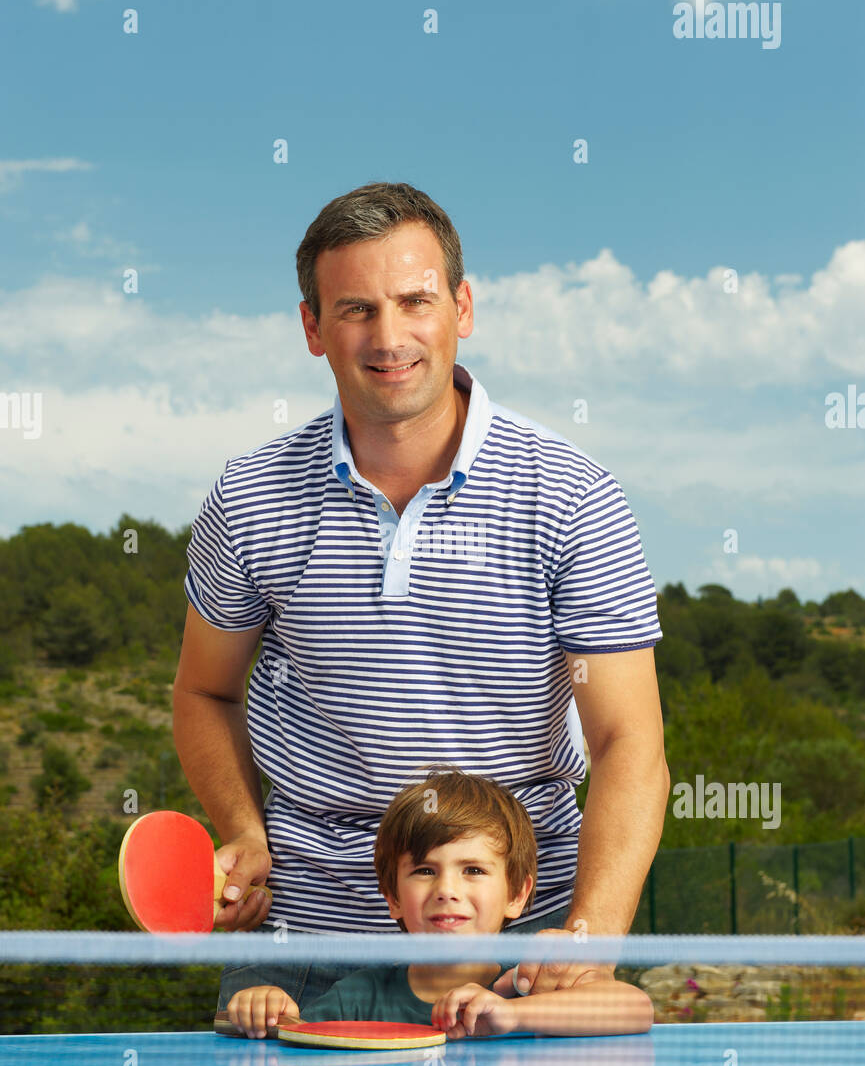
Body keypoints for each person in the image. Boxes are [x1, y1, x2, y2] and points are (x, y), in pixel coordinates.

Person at [172, 180, 670, 1015]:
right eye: (355, 308)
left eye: (415, 300)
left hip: (517, 945)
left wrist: (588, 936)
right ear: (311, 328)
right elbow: (204, 690)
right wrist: (244, 831)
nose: (389, 336)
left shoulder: (574, 497)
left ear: (462, 306)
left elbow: (628, 742)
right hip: (304, 948)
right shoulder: (249, 495)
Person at [222, 768, 654, 1039]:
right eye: (425, 870)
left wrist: (512, 1015)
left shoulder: (526, 985)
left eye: (474, 871)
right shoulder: (357, 999)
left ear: (518, 895)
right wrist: (265, 1006)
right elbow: (293, 1034)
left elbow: (634, 1007)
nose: (448, 889)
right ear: (392, 897)